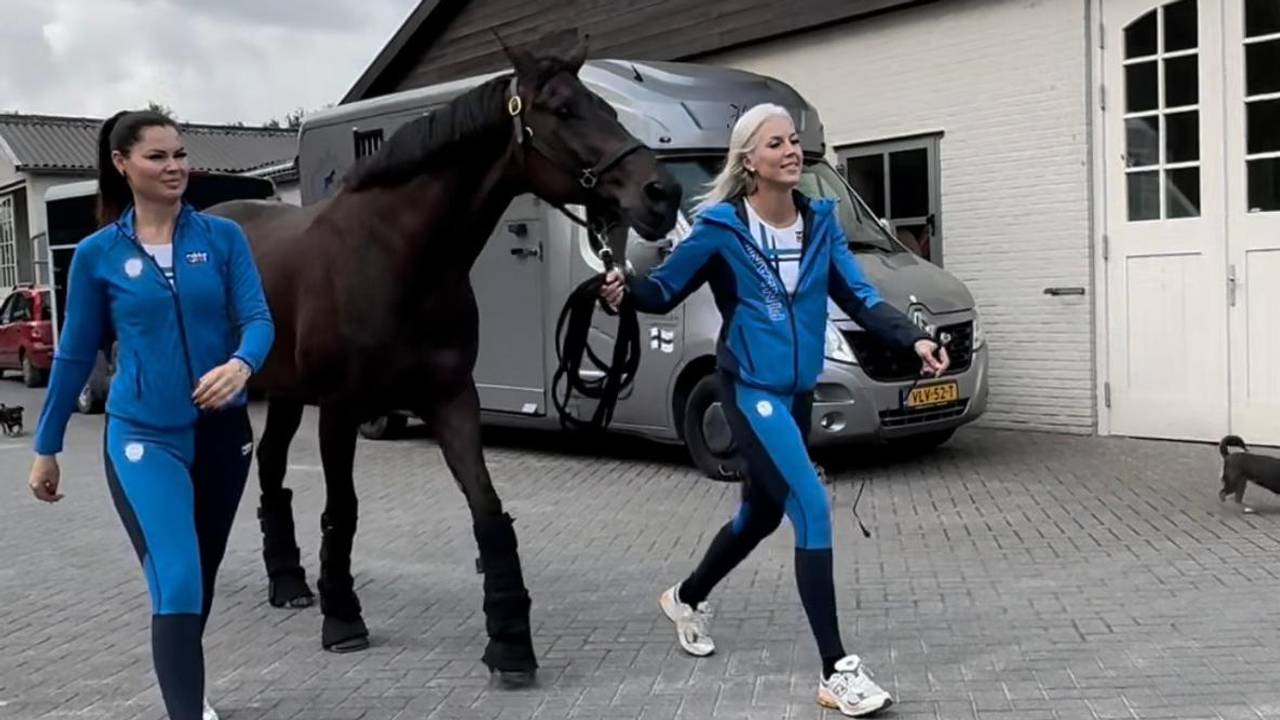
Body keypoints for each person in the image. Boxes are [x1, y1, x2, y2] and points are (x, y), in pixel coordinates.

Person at [601, 103, 949, 717]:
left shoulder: (821, 224)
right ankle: (837, 669)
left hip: (798, 392)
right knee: (811, 505)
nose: (791, 150)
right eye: (775, 144)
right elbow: (662, 291)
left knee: (761, 514)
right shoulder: (720, 230)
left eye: (794, 141)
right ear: (749, 163)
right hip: (750, 390)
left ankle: (686, 596)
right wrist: (624, 291)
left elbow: (863, 297)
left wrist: (913, 337)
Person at [26, 110, 274, 720]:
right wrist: (46, 445)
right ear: (122, 164)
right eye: (158, 157)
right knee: (179, 574)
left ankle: (185, 683)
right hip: (143, 437)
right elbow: (76, 353)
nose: (175, 167)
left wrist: (241, 365)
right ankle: (186, 710)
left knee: (200, 578)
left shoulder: (222, 239)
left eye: (180, 154)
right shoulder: (99, 255)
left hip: (222, 435)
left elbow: (260, 320)